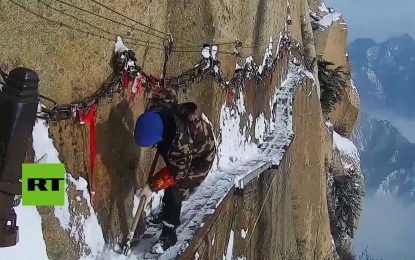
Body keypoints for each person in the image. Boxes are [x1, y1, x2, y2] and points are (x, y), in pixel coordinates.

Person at [134, 87, 216, 253]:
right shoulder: (156, 109)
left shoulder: (179, 144)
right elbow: (169, 94)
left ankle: (169, 233)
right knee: (170, 184)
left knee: (175, 191)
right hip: (185, 148)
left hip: (200, 158)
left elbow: (177, 173)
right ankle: (165, 211)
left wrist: (152, 186)